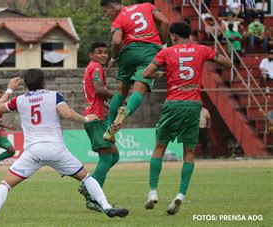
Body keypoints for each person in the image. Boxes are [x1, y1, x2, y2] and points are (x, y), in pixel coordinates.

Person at [0, 69, 129, 224]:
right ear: (43, 82)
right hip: (56, 150)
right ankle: (107, 206)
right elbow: (68, 114)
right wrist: (86, 119)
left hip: (33, 151)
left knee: (5, 184)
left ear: (27, 84)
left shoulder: (19, 100)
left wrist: (9, 89)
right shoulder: (54, 95)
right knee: (86, 177)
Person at [142, 22, 231, 215]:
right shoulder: (201, 50)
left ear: (173, 36)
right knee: (189, 152)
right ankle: (181, 194)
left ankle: (152, 192)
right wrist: (210, 57)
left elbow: (146, 73)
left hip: (173, 103)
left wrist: (162, 72)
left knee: (159, 147)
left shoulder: (167, 52)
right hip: (193, 106)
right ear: (188, 35)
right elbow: (227, 62)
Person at [100, 0, 169, 143]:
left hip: (128, 53)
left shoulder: (118, 20)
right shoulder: (147, 6)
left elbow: (116, 42)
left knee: (121, 93)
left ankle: (108, 130)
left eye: (106, 12)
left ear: (113, 6)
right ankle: (126, 111)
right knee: (138, 91)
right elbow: (165, 22)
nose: (106, 15)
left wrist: (114, 58)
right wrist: (163, 45)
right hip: (150, 52)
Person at [78, 41, 120, 212]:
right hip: (97, 117)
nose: (103, 55)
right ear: (91, 55)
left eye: (105, 52)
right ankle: (94, 198)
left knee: (114, 156)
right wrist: (118, 98)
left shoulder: (92, 67)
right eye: (99, 52)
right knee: (106, 158)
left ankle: (88, 187)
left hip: (100, 115)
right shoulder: (95, 67)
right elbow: (98, 89)